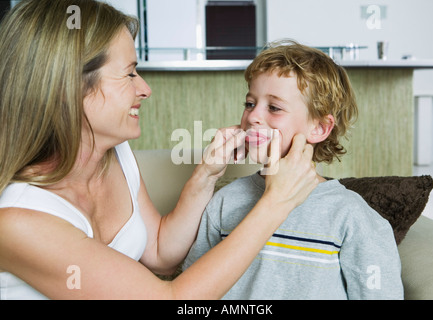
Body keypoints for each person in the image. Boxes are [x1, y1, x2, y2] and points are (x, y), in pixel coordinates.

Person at [0, 1, 318, 300]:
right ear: (69, 87)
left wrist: (206, 174)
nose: (145, 89)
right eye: (129, 74)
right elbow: (171, 299)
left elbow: (160, 252)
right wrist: (277, 202)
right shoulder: (17, 221)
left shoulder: (115, 154)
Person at [183, 40, 404, 300]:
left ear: (320, 128)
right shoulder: (224, 202)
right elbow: (192, 292)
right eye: (250, 103)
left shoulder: (351, 215)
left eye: (274, 107)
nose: (253, 116)